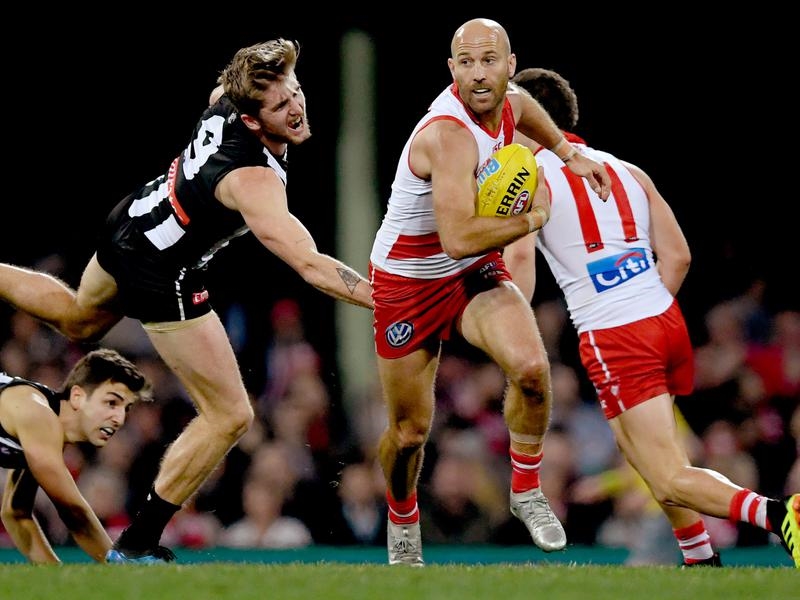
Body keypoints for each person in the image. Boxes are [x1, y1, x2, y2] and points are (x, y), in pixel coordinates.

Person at [0, 38, 373, 563]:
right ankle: (137, 545)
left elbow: (223, 86)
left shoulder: (227, 99)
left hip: (133, 221)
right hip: (161, 270)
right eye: (280, 105)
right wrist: (389, 300)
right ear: (251, 120)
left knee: (78, 320)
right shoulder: (252, 180)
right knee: (230, 414)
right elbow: (310, 264)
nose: (295, 108)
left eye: (296, 92)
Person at [503, 67, 799, 568]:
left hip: (617, 334)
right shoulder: (627, 170)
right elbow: (678, 257)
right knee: (641, 451)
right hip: (664, 320)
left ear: (530, 120)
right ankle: (700, 558)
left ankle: (780, 513)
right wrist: (642, 305)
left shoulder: (528, 176)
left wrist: (512, 339)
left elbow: (518, 261)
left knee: (666, 476)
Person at [369, 18, 612, 566]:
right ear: (451, 70)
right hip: (408, 282)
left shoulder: (511, 101)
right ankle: (402, 516)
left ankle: (526, 490)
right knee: (409, 434)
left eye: (489, 60)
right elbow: (456, 238)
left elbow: (526, 108)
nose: (478, 74)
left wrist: (569, 154)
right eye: (466, 63)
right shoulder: (448, 136)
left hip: (470, 272)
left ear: (509, 65)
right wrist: (534, 218)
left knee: (532, 370)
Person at [0, 348, 153, 564]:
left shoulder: (47, 433)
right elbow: (74, 513)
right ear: (77, 397)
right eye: (111, 403)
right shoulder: (37, 414)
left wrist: (56, 578)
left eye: (126, 409)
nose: (119, 419)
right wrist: (123, 566)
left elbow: (16, 513)